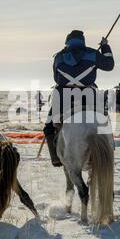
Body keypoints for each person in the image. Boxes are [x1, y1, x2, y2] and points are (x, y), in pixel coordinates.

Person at [43, 30, 114, 167]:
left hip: (64, 97)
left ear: (67, 42)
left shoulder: (58, 57)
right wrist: (105, 46)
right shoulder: (93, 54)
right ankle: (110, 149)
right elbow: (109, 65)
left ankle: (55, 158)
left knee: (49, 126)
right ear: (83, 41)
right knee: (105, 121)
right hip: (89, 96)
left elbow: (56, 78)